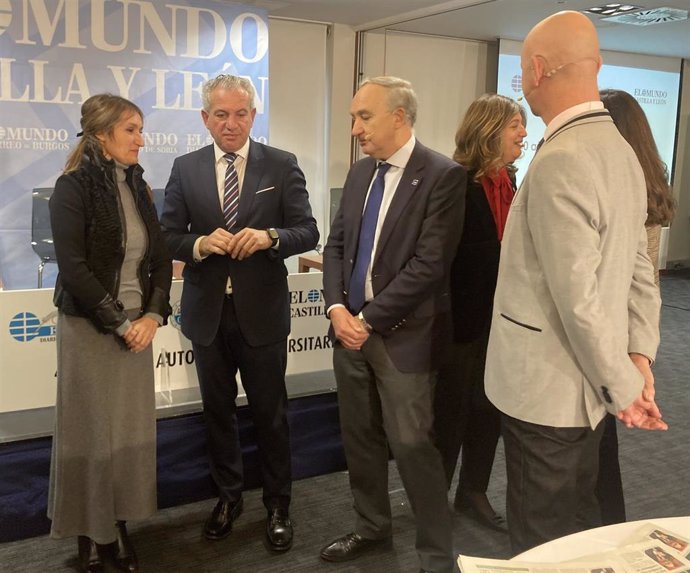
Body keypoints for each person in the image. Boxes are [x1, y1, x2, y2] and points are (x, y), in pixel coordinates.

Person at [483, 11, 668, 556]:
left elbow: (576, 299)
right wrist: (639, 356)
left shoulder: (561, 156)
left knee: (544, 543)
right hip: (588, 389)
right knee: (580, 527)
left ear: (538, 69)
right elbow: (640, 270)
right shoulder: (620, 148)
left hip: (548, 393)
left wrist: (627, 388)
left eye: (521, 72)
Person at [160, 74, 318, 552]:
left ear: (253, 114)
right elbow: (165, 235)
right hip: (207, 313)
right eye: (222, 114)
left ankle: (277, 505)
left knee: (271, 415)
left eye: (242, 113)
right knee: (218, 414)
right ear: (206, 118)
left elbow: (307, 231)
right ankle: (229, 498)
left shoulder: (281, 164)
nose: (232, 124)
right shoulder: (184, 168)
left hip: (263, 314)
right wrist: (200, 244)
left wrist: (272, 238)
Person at [321, 76, 467, 573]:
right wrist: (337, 310)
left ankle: (435, 554)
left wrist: (367, 318)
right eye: (354, 118)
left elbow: (429, 265)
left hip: (404, 337)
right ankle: (371, 527)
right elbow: (336, 246)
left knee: (411, 446)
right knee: (359, 438)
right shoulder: (362, 173)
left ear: (399, 116)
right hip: (349, 334)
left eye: (365, 116)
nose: (356, 127)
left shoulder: (442, 176)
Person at [48, 94, 172, 573]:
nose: (141, 140)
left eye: (141, 130)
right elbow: (74, 269)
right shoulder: (72, 187)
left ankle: (115, 522)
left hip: (137, 330)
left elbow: (160, 260)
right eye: (131, 130)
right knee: (91, 436)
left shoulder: (139, 187)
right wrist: (119, 323)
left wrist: (153, 317)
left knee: (125, 436)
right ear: (102, 135)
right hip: (91, 329)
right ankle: (92, 531)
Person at [433, 94, 526, 534]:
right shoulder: (456, 183)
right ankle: (433, 498)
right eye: (515, 126)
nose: (523, 134)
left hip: (504, 322)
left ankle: (473, 492)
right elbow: (440, 259)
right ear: (489, 130)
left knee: (490, 410)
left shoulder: (511, 181)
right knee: (450, 414)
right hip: (461, 323)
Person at [595, 88, 676, 525]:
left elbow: (629, 277)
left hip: (605, 330)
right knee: (602, 446)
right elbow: (647, 284)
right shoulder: (649, 181)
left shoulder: (614, 186)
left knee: (596, 444)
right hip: (627, 333)